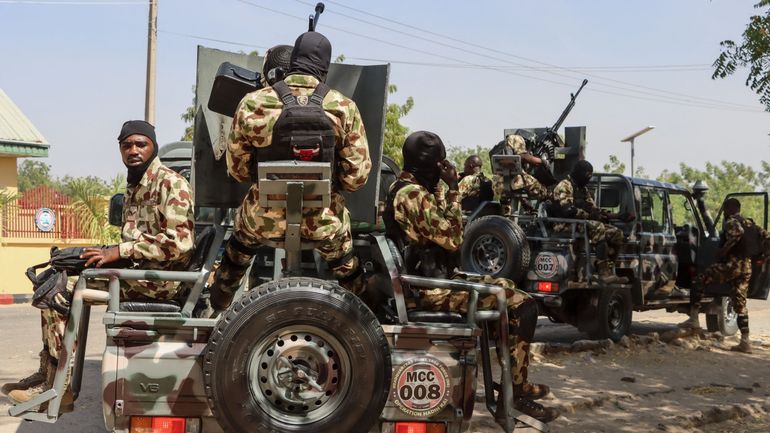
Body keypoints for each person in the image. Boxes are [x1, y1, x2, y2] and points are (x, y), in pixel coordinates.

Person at [3, 120, 195, 410]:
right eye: (127, 145)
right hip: (138, 271)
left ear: (153, 146)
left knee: (62, 289)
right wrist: (105, 252)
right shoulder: (136, 183)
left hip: (159, 281)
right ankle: (49, 372)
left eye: (140, 144)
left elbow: (180, 242)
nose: (133, 150)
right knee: (56, 275)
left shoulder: (170, 183)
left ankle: (59, 387)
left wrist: (120, 250)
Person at [383, 131, 559, 424]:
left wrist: (444, 190)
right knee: (523, 305)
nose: (445, 169)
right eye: (440, 164)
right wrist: (453, 187)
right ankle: (515, 393)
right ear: (430, 166)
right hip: (430, 290)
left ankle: (513, 388)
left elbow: (439, 225)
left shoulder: (410, 190)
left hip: (433, 280)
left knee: (508, 289)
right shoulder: (411, 195)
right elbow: (453, 238)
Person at [208, 31, 370, 311]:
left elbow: (237, 170)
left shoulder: (252, 102)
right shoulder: (345, 107)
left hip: (261, 221)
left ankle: (223, 290)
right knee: (346, 260)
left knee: (239, 245)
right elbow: (357, 178)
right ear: (325, 66)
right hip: (323, 223)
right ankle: (364, 299)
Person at [679, 198, 753, 352]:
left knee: (699, 280)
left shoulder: (731, 222)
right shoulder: (749, 223)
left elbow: (737, 233)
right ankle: (745, 342)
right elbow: (766, 237)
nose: (724, 213)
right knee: (740, 304)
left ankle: (694, 322)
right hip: (746, 267)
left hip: (732, 265)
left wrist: (724, 250)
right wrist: (762, 258)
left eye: (725, 210)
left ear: (729, 209)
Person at [552, 160, 627, 284]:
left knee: (616, 233)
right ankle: (602, 272)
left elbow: (593, 208)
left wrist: (617, 216)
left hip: (581, 224)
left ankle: (609, 271)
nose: (588, 179)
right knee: (598, 227)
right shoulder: (565, 186)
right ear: (580, 174)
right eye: (587, 176)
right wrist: (589, 215)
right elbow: (567, 210)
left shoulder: (583, 189)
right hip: (564, 224)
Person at [491, 133, 551, 202]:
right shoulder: (517, 138)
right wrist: (542, 161)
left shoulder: (506, 143)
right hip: (512, 181)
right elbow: (523, 157)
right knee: (543, 191)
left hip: (498, 184)